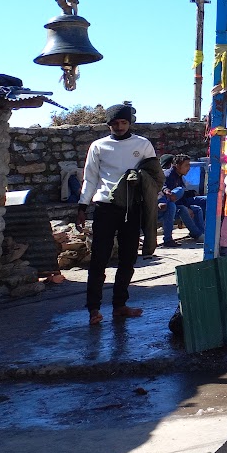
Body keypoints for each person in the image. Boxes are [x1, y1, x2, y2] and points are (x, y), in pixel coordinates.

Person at [80, 101, 158, 325]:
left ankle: (119, 305)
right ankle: (93, 309)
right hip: (105, 207)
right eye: (115, 123)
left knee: (128, 259)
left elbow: (153, 176)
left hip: (132, 207)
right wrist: (82, 206)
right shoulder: (98, 146)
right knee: (99, 259)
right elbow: (90, 178)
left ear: (130, 122)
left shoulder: (143, 145)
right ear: (109, 125)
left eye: (123, 122)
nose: (120, 126)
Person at [157, 154, 204, 247]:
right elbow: (162, 187)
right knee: (175, 200)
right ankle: (168, 239)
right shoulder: (168, 175)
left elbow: (180, 198)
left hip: (173, 204)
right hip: (161, 207)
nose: (189, 168)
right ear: (177, 166)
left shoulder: (179, 177)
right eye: (186, 165)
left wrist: (188, 205)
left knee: (195, 209)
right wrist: (167, 193)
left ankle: (199, 233)